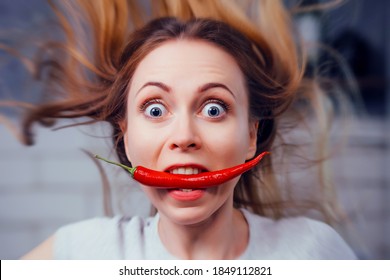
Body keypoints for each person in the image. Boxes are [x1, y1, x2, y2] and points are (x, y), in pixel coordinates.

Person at [3, 0, 356, 259]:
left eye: (214, 108)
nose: (184, 136)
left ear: (251, 136)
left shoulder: (312, 252)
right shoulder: (83, 252)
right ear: (125, 136)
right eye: (155, 109)